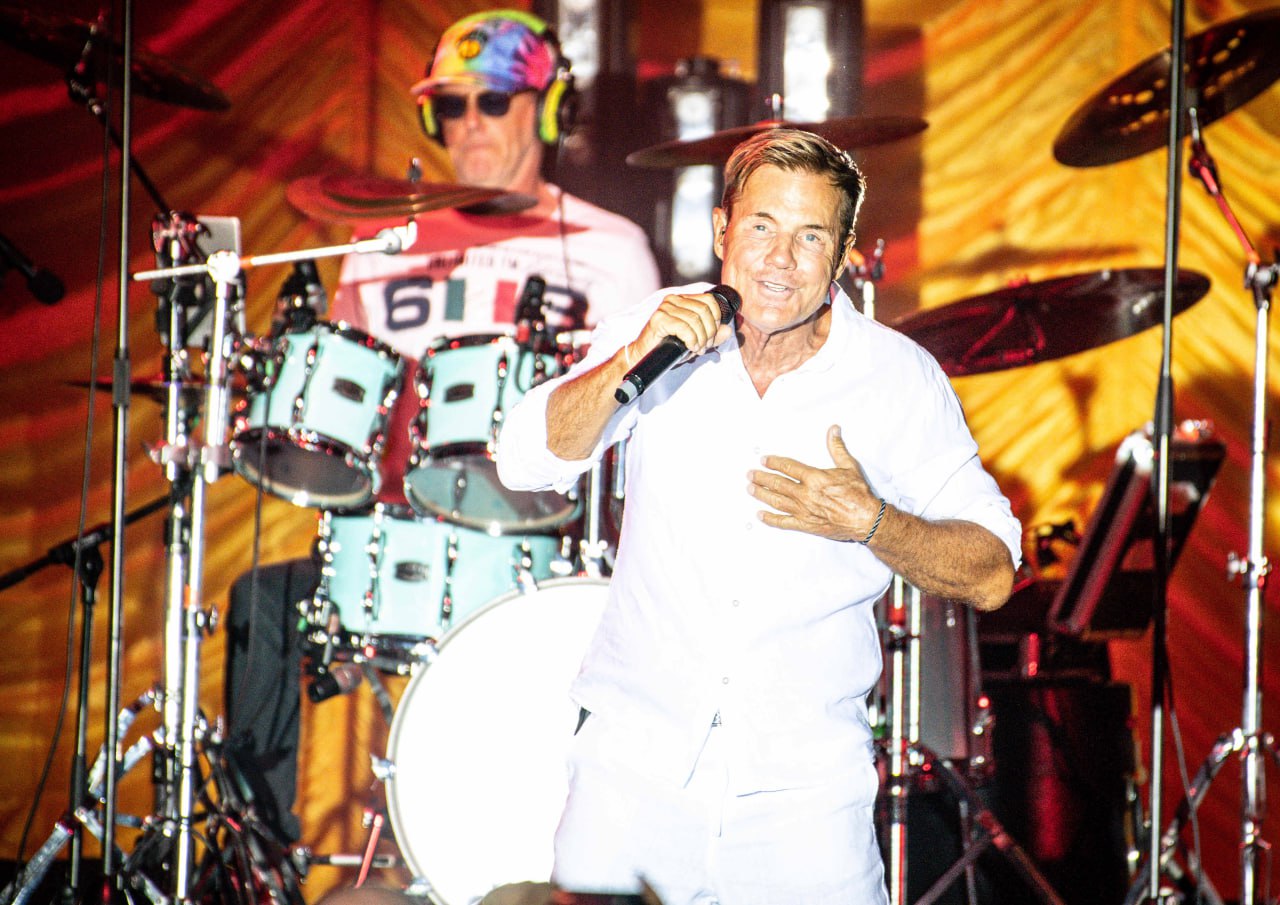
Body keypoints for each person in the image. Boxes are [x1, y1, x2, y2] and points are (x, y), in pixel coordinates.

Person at [496, 128, 1022, 905]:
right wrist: (629, 360)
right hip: (631, 772)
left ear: (844, 254)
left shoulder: (896, 378)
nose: (781, 258)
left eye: (811, 236)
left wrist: (874, 522)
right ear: (722, 231)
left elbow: (993, 573)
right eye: (762, 226)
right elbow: (524, 459)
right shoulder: (655, 331)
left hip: (806, 796)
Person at [224, 8, 660, 846]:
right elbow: (342, 404)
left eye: (493, 101)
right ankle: (262, 861)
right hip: (390, 536)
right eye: (449, 107)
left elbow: (639, 430)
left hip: (542, 548)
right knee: (262, 603)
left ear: (549, 109)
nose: (469, 124)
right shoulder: (385, 241)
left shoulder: (613, 249)